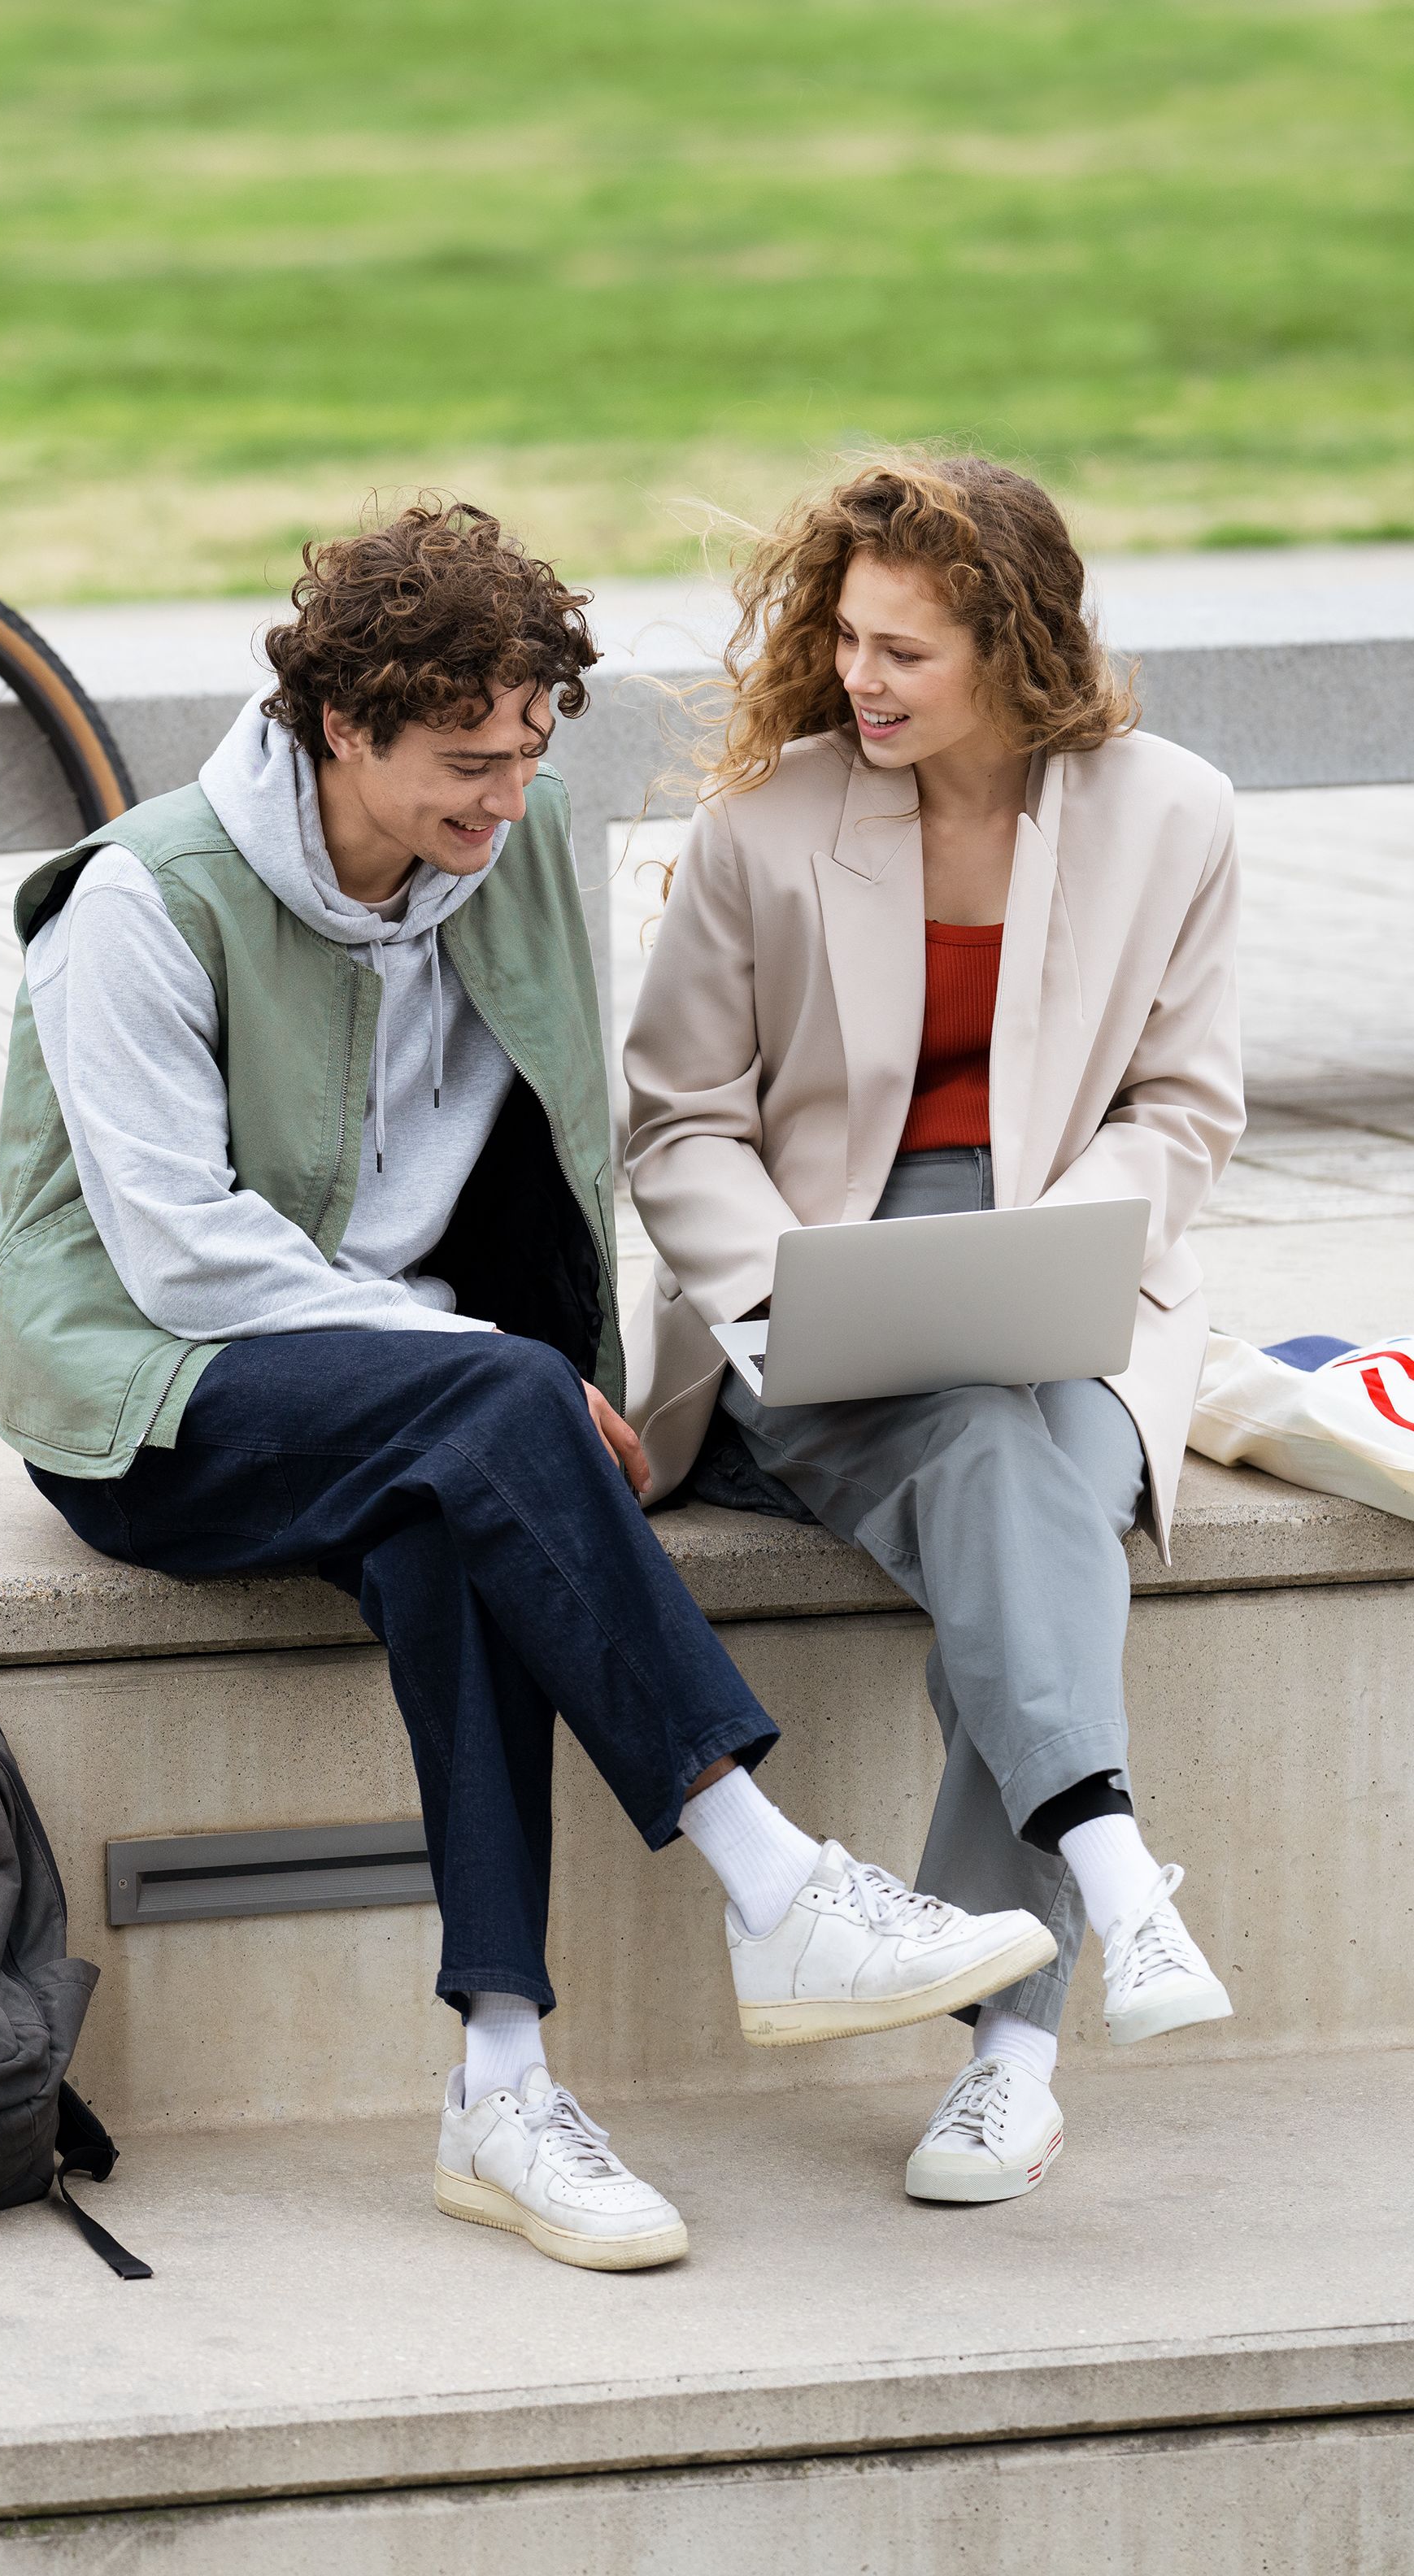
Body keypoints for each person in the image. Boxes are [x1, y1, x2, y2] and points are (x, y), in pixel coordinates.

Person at [0, 498, 1053, 2270]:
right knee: (485, 1418)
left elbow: (571, 1126)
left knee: (453, 1523)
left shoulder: (519, 839)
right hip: (155, 1405)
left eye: (530, 749)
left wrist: (579, 1370)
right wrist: (498, 1372)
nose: (506, 796)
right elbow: (176, 1260)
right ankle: (774, 1881)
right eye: (465, 763)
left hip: (421, 1410)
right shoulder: (142, 904)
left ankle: (502, 2079)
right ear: (342, 728)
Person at [623, 456, 1244, 2208]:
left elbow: (1185, 1107)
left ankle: (1021, 2044)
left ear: (1022, 649)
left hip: (1078, 1289)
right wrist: (773, 1285)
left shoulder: (1172, 814)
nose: (862, 682)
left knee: (1028, 1447)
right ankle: (1084, 1935)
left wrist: (1062, 1243)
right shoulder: (766, 828)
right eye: (847, 641)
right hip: (813, 1292)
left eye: (909, 651)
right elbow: (676, 1122)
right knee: (1001, 1453)